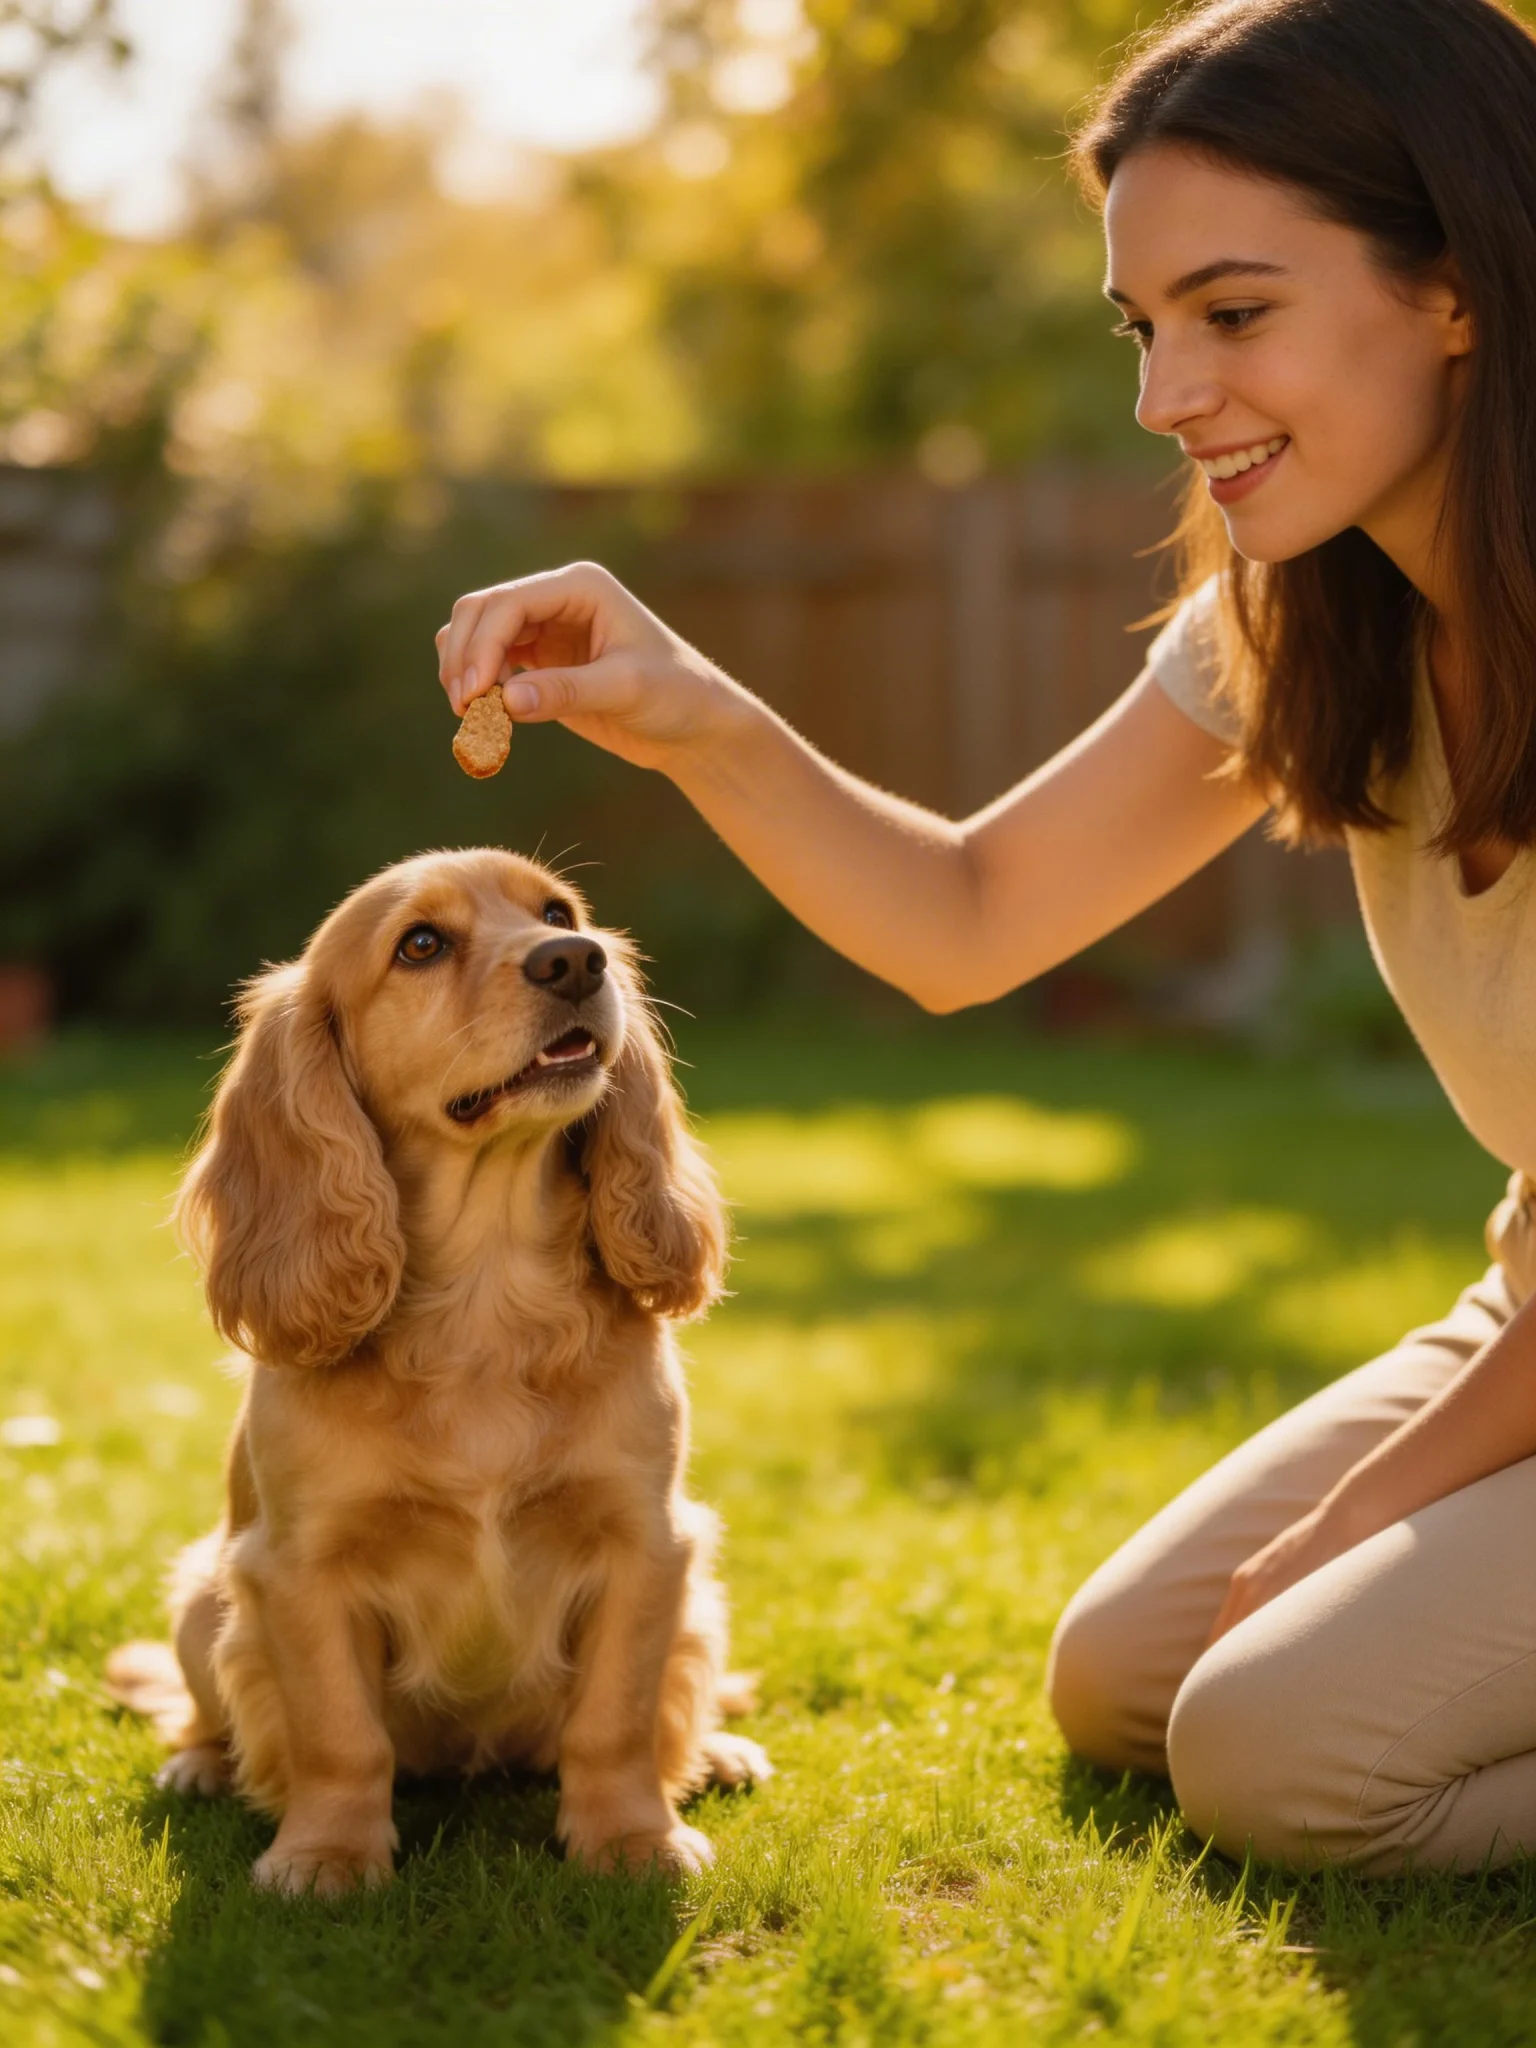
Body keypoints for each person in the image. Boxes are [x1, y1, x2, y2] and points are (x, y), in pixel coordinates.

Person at [435, 0, 1536, 1873]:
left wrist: (1356, 1519)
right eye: (1144, 327)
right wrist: (691, 710)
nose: (1166, 396)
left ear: (1455, 285)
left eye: (1233, 312)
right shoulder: (1302, 621)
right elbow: (971, 917)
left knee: (1278, 1755)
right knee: (1126, 1682)